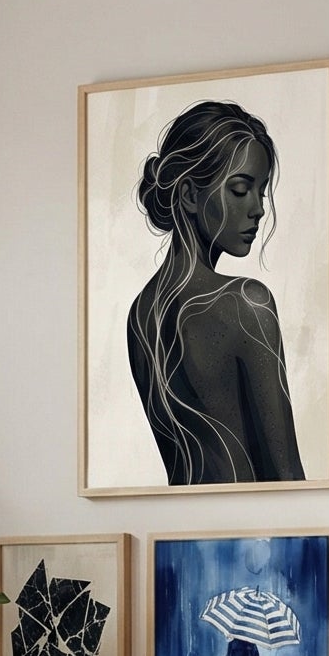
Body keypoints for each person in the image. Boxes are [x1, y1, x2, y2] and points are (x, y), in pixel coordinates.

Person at [128, 101, 304, 487]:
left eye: (261, 192)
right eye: (240, 189)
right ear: (189, 194)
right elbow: (286, 477)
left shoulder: (142, 312)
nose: (258, 209)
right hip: (255, 538)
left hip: (178, 535)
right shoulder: (246, 303)